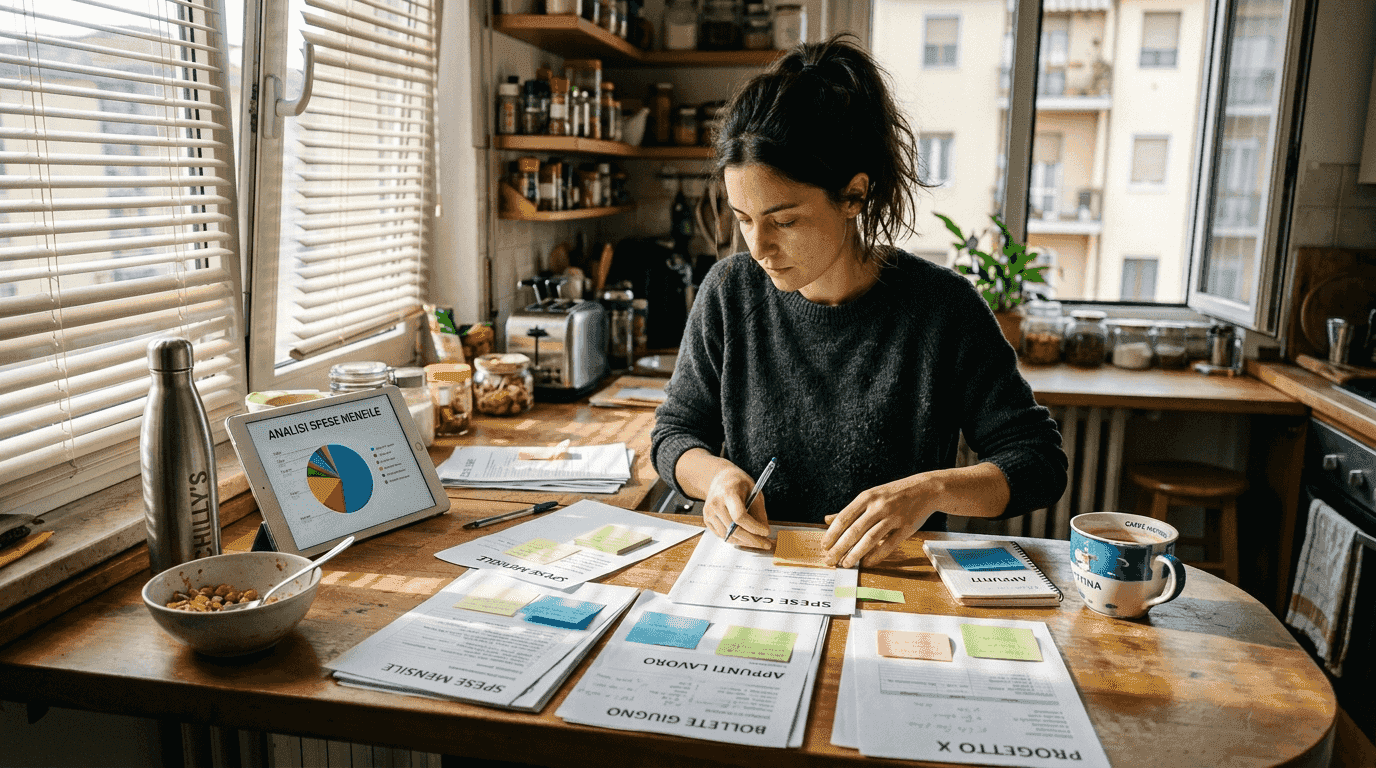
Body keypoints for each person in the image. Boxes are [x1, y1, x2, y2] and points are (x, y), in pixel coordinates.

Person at [649, 35, 1068, 569]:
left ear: (854, 195)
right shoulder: (729, 293)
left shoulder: (942, 309)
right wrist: (715, 477)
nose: (758, 248)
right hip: (757, 579)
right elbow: (674, 434)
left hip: (894, 587)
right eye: (743, 218)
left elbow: (1038, 462)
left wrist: (929, 491)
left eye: (784, 221)